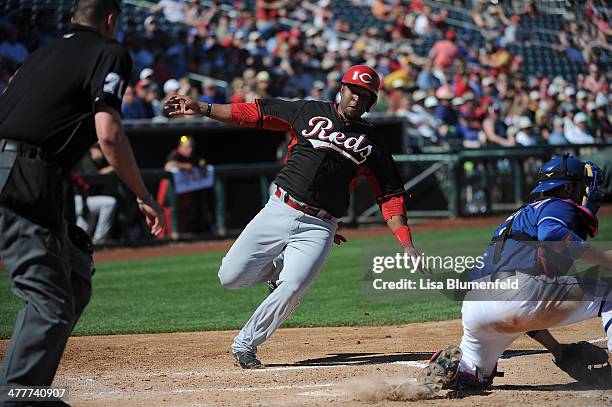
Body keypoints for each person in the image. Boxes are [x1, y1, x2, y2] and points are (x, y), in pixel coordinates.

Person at [165, 65, 430, 368]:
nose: (357, 98)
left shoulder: (373, 144)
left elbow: (390, 196)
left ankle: (246, 344)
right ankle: (278, 268)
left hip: (320, 225)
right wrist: (204, 108)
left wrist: (407, 244)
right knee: (230, 277)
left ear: (371, 103)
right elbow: (254, 113)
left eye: (364, 95)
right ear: (341, 89)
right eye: (353, 90)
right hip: (280, 208)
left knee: (293, 286)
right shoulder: (307, 110)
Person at [0, 0, 166, 401]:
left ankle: (23, 388)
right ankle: (16, 396)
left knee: (74, 276)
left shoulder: (44, 51)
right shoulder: (109, 51)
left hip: (34, 174)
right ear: (111, 21)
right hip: (22, 174)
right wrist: (144, 196)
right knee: (50, 302)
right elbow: (108, 132)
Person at [419, 155, 612, 393]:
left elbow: (523, 312)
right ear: (568, 187)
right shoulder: (557, 205)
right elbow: (552, 235)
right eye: (583, 185)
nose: (588, 192)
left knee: (475, 375)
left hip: (477, 308)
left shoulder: (519, 216)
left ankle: (455, 373)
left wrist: (558, 350)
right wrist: (604, 259)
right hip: (520, 295)